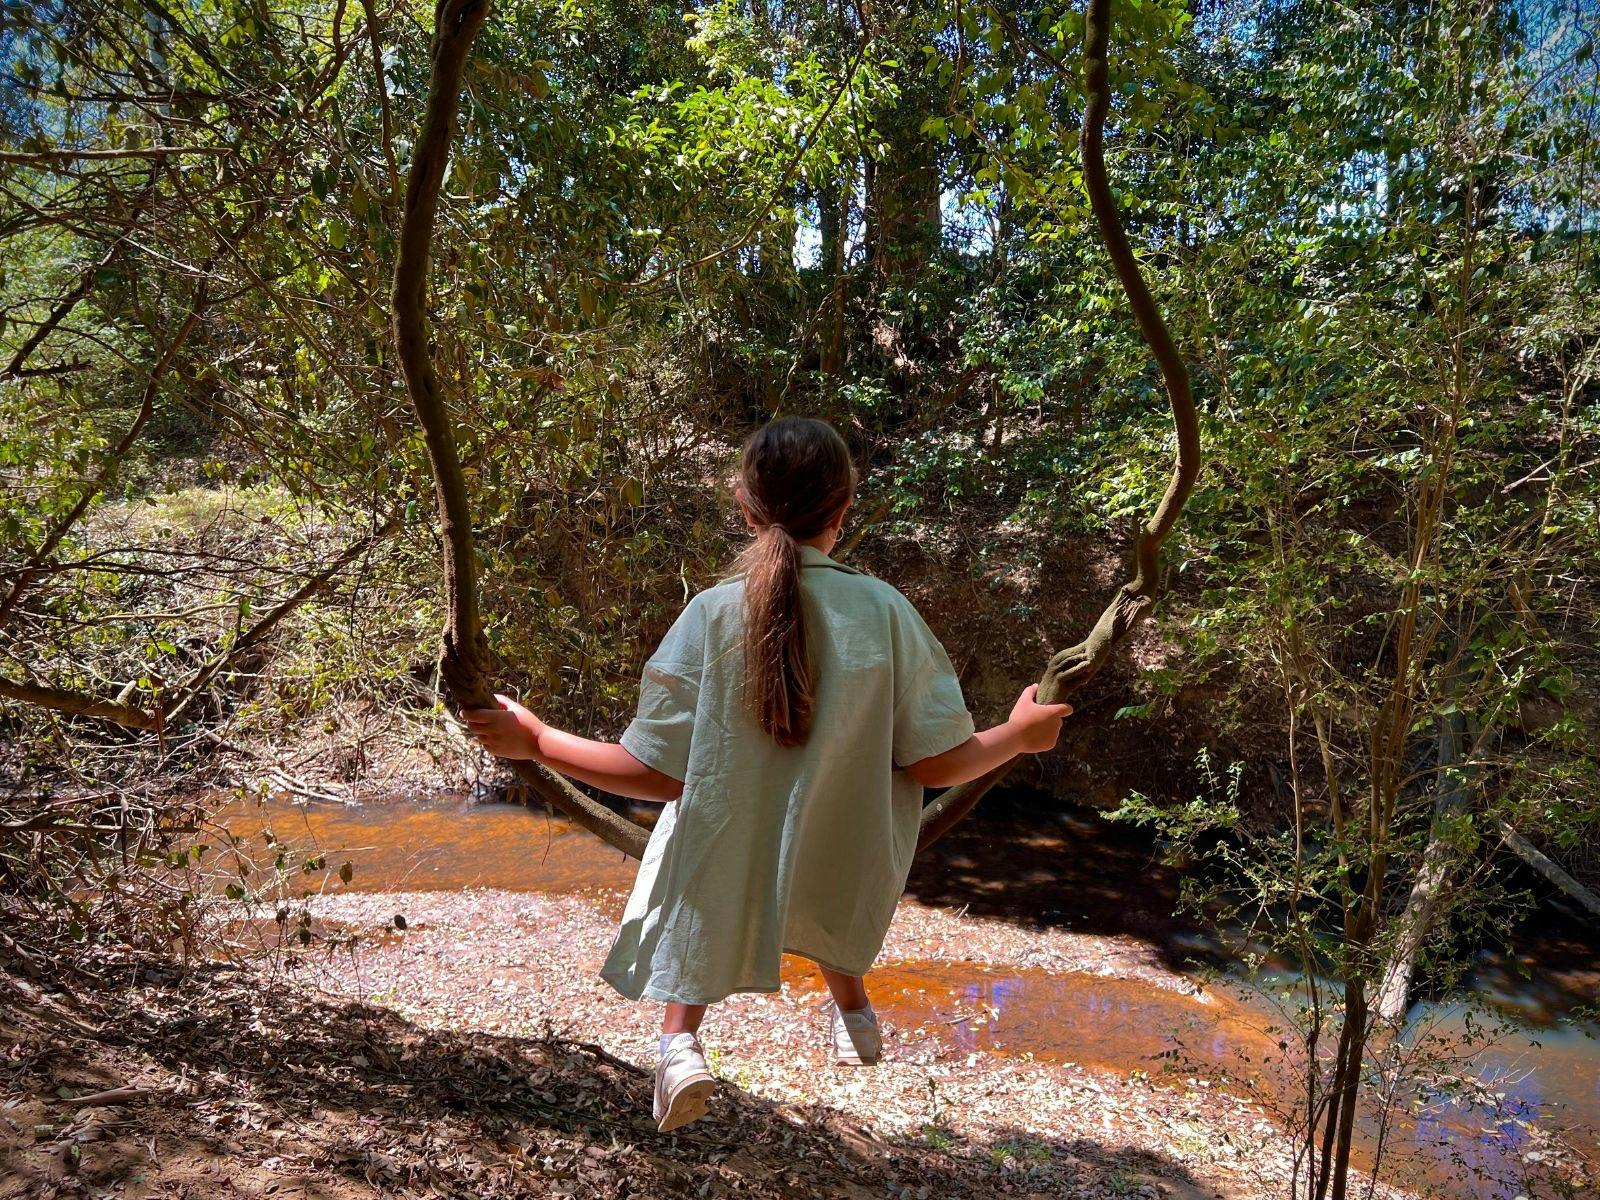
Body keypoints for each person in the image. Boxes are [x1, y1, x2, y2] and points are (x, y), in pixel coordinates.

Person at [463, 417, 1072, 1133]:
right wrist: (1017, 738)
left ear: (746, 510)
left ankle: (679, 1045)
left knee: (698, 879)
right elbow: (934, 762)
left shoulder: (711, 615)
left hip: (731, 852)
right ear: (843, 512)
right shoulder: (885, 612)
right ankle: (852, 1011)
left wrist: (537, 740)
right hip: (842, 849)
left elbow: (652, 774)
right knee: (821, 889)